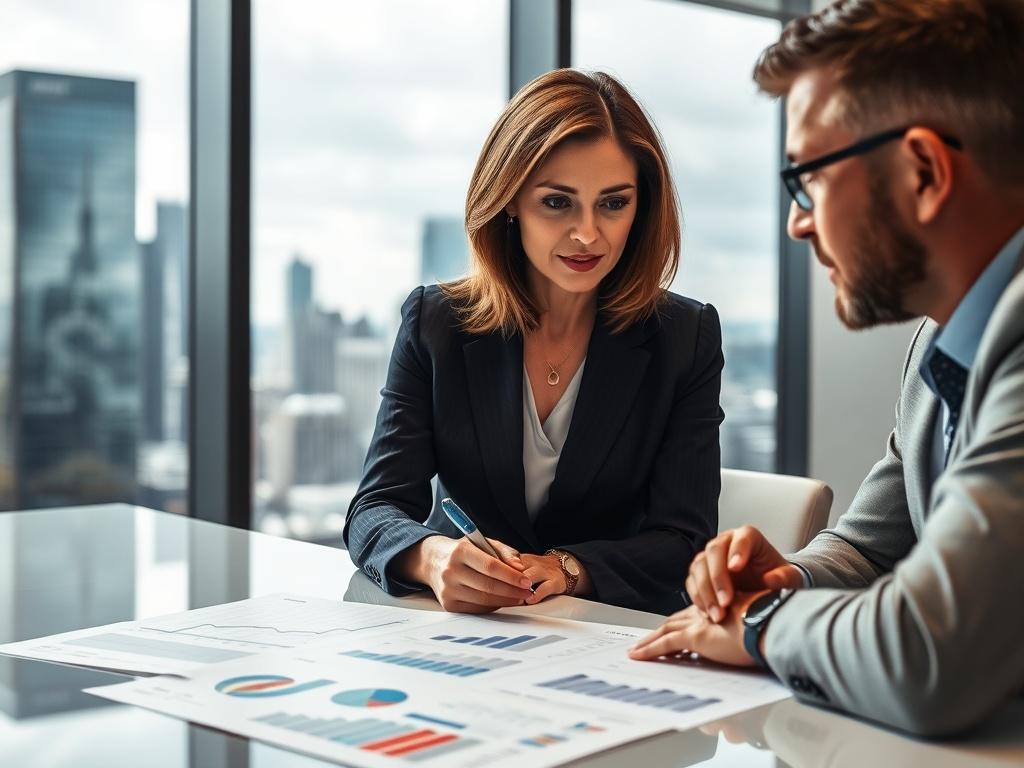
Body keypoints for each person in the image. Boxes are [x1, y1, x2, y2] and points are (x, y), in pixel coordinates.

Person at [630, 0, 1024, 737]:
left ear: (923, 171)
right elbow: (875, 546)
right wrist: (790, 579)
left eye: (808, 177)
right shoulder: (941, 348)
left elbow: (929, 655)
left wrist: (766, 624)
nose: (797, 221)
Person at [344, 69, 724, 615]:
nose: (588, 234)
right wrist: (432, 558)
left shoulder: (684, 338)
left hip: (610, 642)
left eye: (613, 203)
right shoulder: (437, 322)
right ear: (510, 201)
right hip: (462, 637)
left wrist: (569, 570)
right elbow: (375, 509)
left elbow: (684, 539)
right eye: (557, 203)